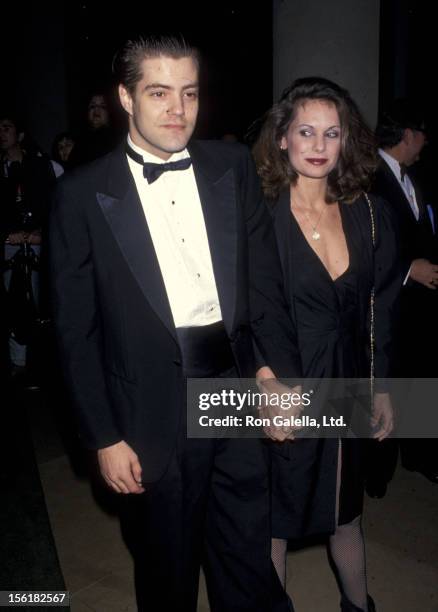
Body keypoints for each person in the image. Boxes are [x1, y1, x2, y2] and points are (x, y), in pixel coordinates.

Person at [49, 34, 300, 612]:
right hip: (150, 409)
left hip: (233, 387)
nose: (178, 110)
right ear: (126, 98)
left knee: (245, 554)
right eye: (159, 93)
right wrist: (104, 436)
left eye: (188, 93)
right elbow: (74, 332)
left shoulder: (230, 165)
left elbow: (262, 285)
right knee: (168, 569)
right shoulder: (83, 194)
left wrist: (268, 370)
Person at [253, 77, 401, 612]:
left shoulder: (368, 214)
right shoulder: (259, 218)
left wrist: (380, 385)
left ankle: (359, 607)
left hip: (346, 381)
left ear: (346, 141)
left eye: (331, 133)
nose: (318, 146)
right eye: (306, 132)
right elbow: (246, 313)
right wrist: (265, 382)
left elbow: (378, 309)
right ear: (284, 139)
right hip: (286, 380)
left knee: (346, 513)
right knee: (275, 519)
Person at [365, 100, 438, 495]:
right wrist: (411, 268)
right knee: (386, 384)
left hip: (418, 307)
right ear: (407, 134)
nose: (426, 141)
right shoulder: (369, 177)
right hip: (388, 303)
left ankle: (419, 456)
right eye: (422, 133)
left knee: (420, 378)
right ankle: (377, 473)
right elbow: (365, 244)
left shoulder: (413, 179)